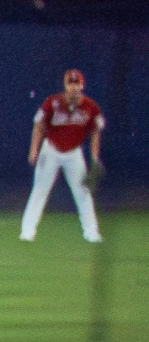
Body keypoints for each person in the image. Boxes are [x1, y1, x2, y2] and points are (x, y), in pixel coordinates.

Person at [22, 68, 105, 245]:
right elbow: (38, 125)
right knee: (40, 191)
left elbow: (96, 131)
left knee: (83, 193)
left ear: (82, 85)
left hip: (74, 153)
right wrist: (34, 150)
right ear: (65, 85)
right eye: (70, 83)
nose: (73, 87)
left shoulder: (90, 107)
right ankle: (27, 232)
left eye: (76, 83)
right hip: (51, 150)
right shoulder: (53, 103)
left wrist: (94, 157)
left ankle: (91, 232)